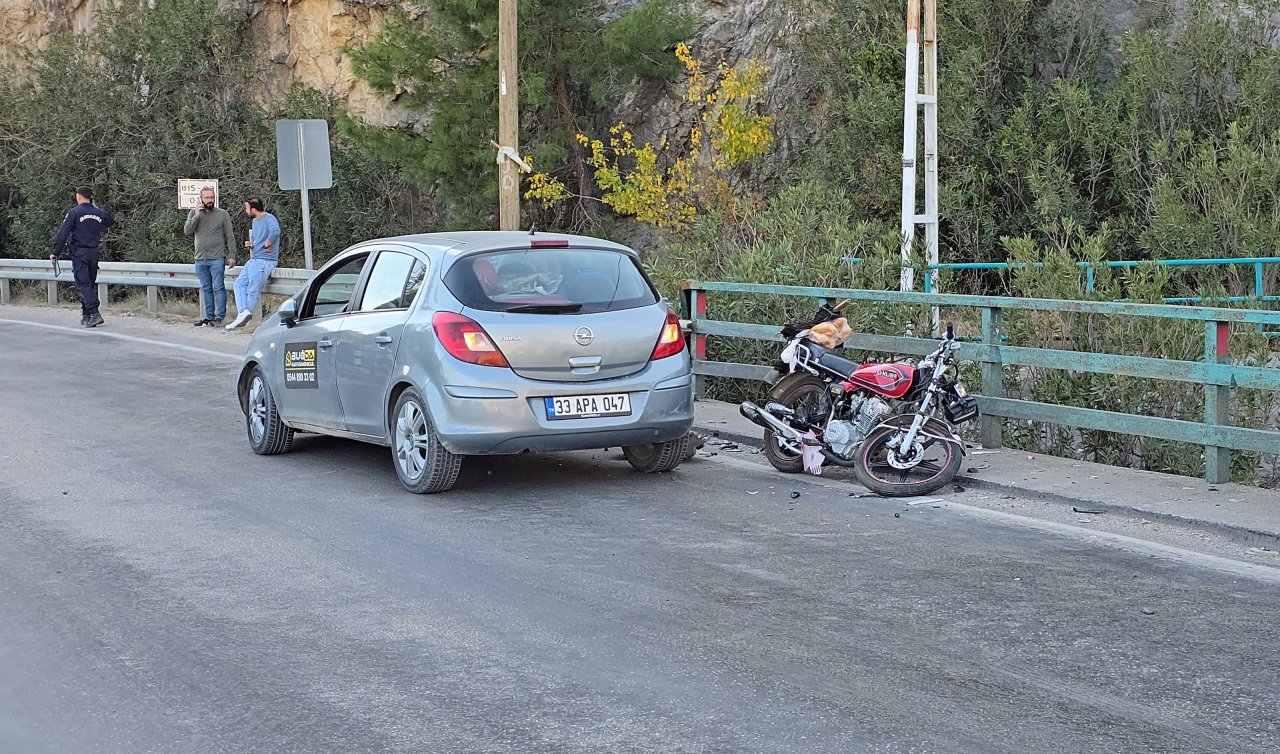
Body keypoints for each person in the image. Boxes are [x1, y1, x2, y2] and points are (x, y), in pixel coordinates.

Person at [50, 186, 115, 328]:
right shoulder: (98, 213)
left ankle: (95, 313)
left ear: (78, 197)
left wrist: (55, 252)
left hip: (80, 253)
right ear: (90, 197)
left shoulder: (74, 212)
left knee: (83, 283)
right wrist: (97, 208)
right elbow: (110, 221)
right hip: (94, 253)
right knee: (89, 284)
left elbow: (63, 233)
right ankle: (86, 315)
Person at [183, 186, 237, 326]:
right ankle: (209, 317)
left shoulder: (222, 214)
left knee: (218, 287)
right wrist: (196, 216)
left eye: (212, 197)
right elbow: (187, 231)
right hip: (200, 258)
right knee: (206, 288)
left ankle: (220, 317)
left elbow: (229, 236)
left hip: (217, 257)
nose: (210, 200)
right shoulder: (194, 213)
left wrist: (231, 255)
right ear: (201, 199)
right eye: (207, 197)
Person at [226, 197, 281, 331]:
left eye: (247, 208)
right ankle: (243, 312)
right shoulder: (255, 221)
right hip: (254, 259)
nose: (246, 210)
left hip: (265, 261)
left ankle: (243, 317)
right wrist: (252, 244)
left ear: (254, 209)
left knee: (252, 289)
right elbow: (258, 240)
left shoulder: (269, 218)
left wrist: (269, 242)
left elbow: (275, 231)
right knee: (239, 283)